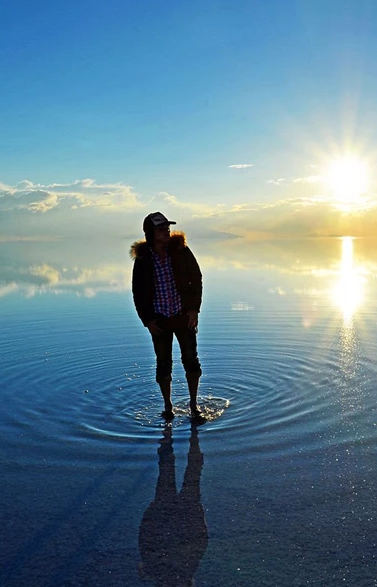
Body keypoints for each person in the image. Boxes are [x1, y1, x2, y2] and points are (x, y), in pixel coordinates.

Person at [131, 212, 203, 421]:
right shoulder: (143, 259)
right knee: (163, 364)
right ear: (150, 233)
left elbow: (196, 278)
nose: (166, 232)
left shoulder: (181, 250)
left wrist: (193, 309)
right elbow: (138, 292)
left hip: (183, 316)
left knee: (191, 360)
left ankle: (194, 405)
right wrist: (147, 320)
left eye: (167, 228)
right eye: (161, 229)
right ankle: (168, 407)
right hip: (159, 320)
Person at [138, 426, 208, 586]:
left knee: (183, 475)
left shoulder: (154, 566)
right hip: (177, 514)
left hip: (170, 513)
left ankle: (177, 434)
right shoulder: (153, 567)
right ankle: (187, 434)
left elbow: (201, 539)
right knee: (173, 474)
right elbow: (200, 539)